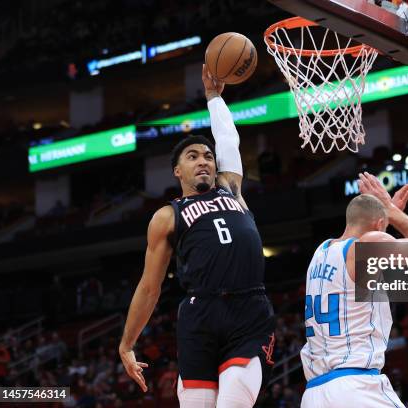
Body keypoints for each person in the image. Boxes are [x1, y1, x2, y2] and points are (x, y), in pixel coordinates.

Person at [119, 66, 275, 408]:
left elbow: (228, 140)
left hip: (248, 311)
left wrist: (214, 98)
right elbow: (149, 286)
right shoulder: (167, 216)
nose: (203, 161)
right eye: (193, 157)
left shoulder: (230, 189)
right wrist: (127, 343)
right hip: (199, 316)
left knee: (233, 401)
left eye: (207, 156)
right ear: (178, 171)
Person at [300, 173, 408, 407]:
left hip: (314, 394)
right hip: (356, 386)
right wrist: (392, 212)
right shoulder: (366, 246)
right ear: (378, 226)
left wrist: (384, 212)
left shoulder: (320, 252)